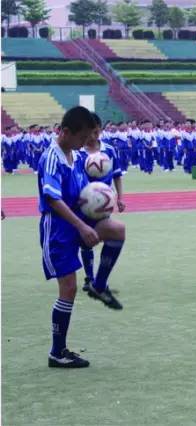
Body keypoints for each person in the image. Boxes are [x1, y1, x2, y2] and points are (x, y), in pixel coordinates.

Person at [38, 106, 126, 368]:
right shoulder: (52, 157)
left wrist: (100, 200)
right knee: (68, 288)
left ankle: (99, 284)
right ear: (65, 132)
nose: (85, 143)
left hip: (77, 218)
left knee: (116, 230)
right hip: (59, 227)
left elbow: (79, 192)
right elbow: (52, 198)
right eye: (81, 138)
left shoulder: (74, 156)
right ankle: (57, 352)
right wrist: (82, 226)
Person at [77, 113, 126, 295]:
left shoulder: (109, 150)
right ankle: (90, 278)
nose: (93, 136)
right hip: (84, 203)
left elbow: (117, 175)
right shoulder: (78, 153)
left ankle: (98, 280)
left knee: (106, 236)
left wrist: (120, 198)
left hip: (104, 203)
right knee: (87, 241)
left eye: (96, 131)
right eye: (90, 132)